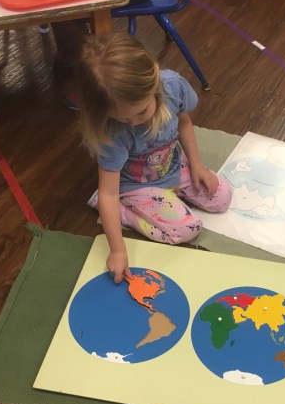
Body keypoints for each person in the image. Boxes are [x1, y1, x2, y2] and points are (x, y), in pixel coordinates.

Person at [75, 32, 232, 283]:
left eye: (141, 112)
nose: (133, 123)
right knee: (187, 229)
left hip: (172, 166)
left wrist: (197, 165)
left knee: (222, 196)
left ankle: (168, 195)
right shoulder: (112, 132)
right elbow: (108, 193)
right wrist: (117, 250)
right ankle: (122, 212)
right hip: (137, 185)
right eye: (122, 118)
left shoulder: (173, 86)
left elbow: (184, 123)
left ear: (154, 84)